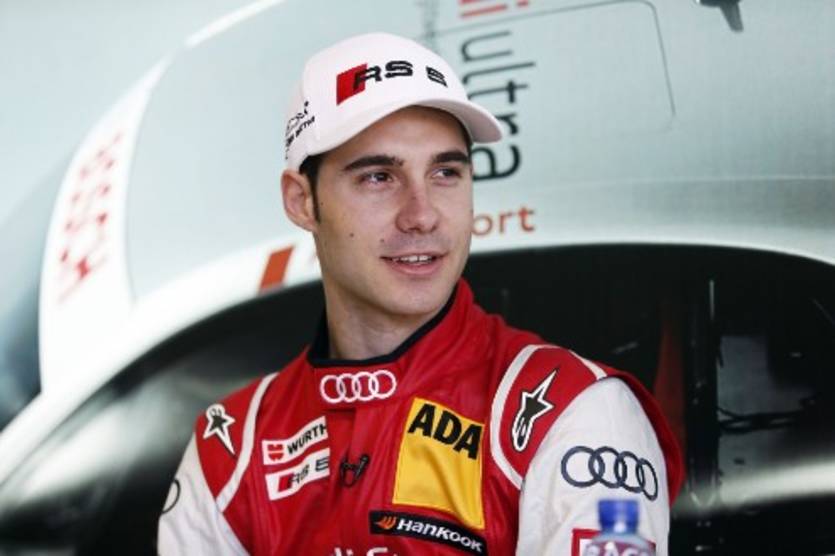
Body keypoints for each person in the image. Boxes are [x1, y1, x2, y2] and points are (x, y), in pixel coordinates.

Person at [157, 32, 683, 556]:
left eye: (445, 172)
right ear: (302, 201)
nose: (422, 214)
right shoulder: (232, 450)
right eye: (378, 177)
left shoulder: (577, 413)